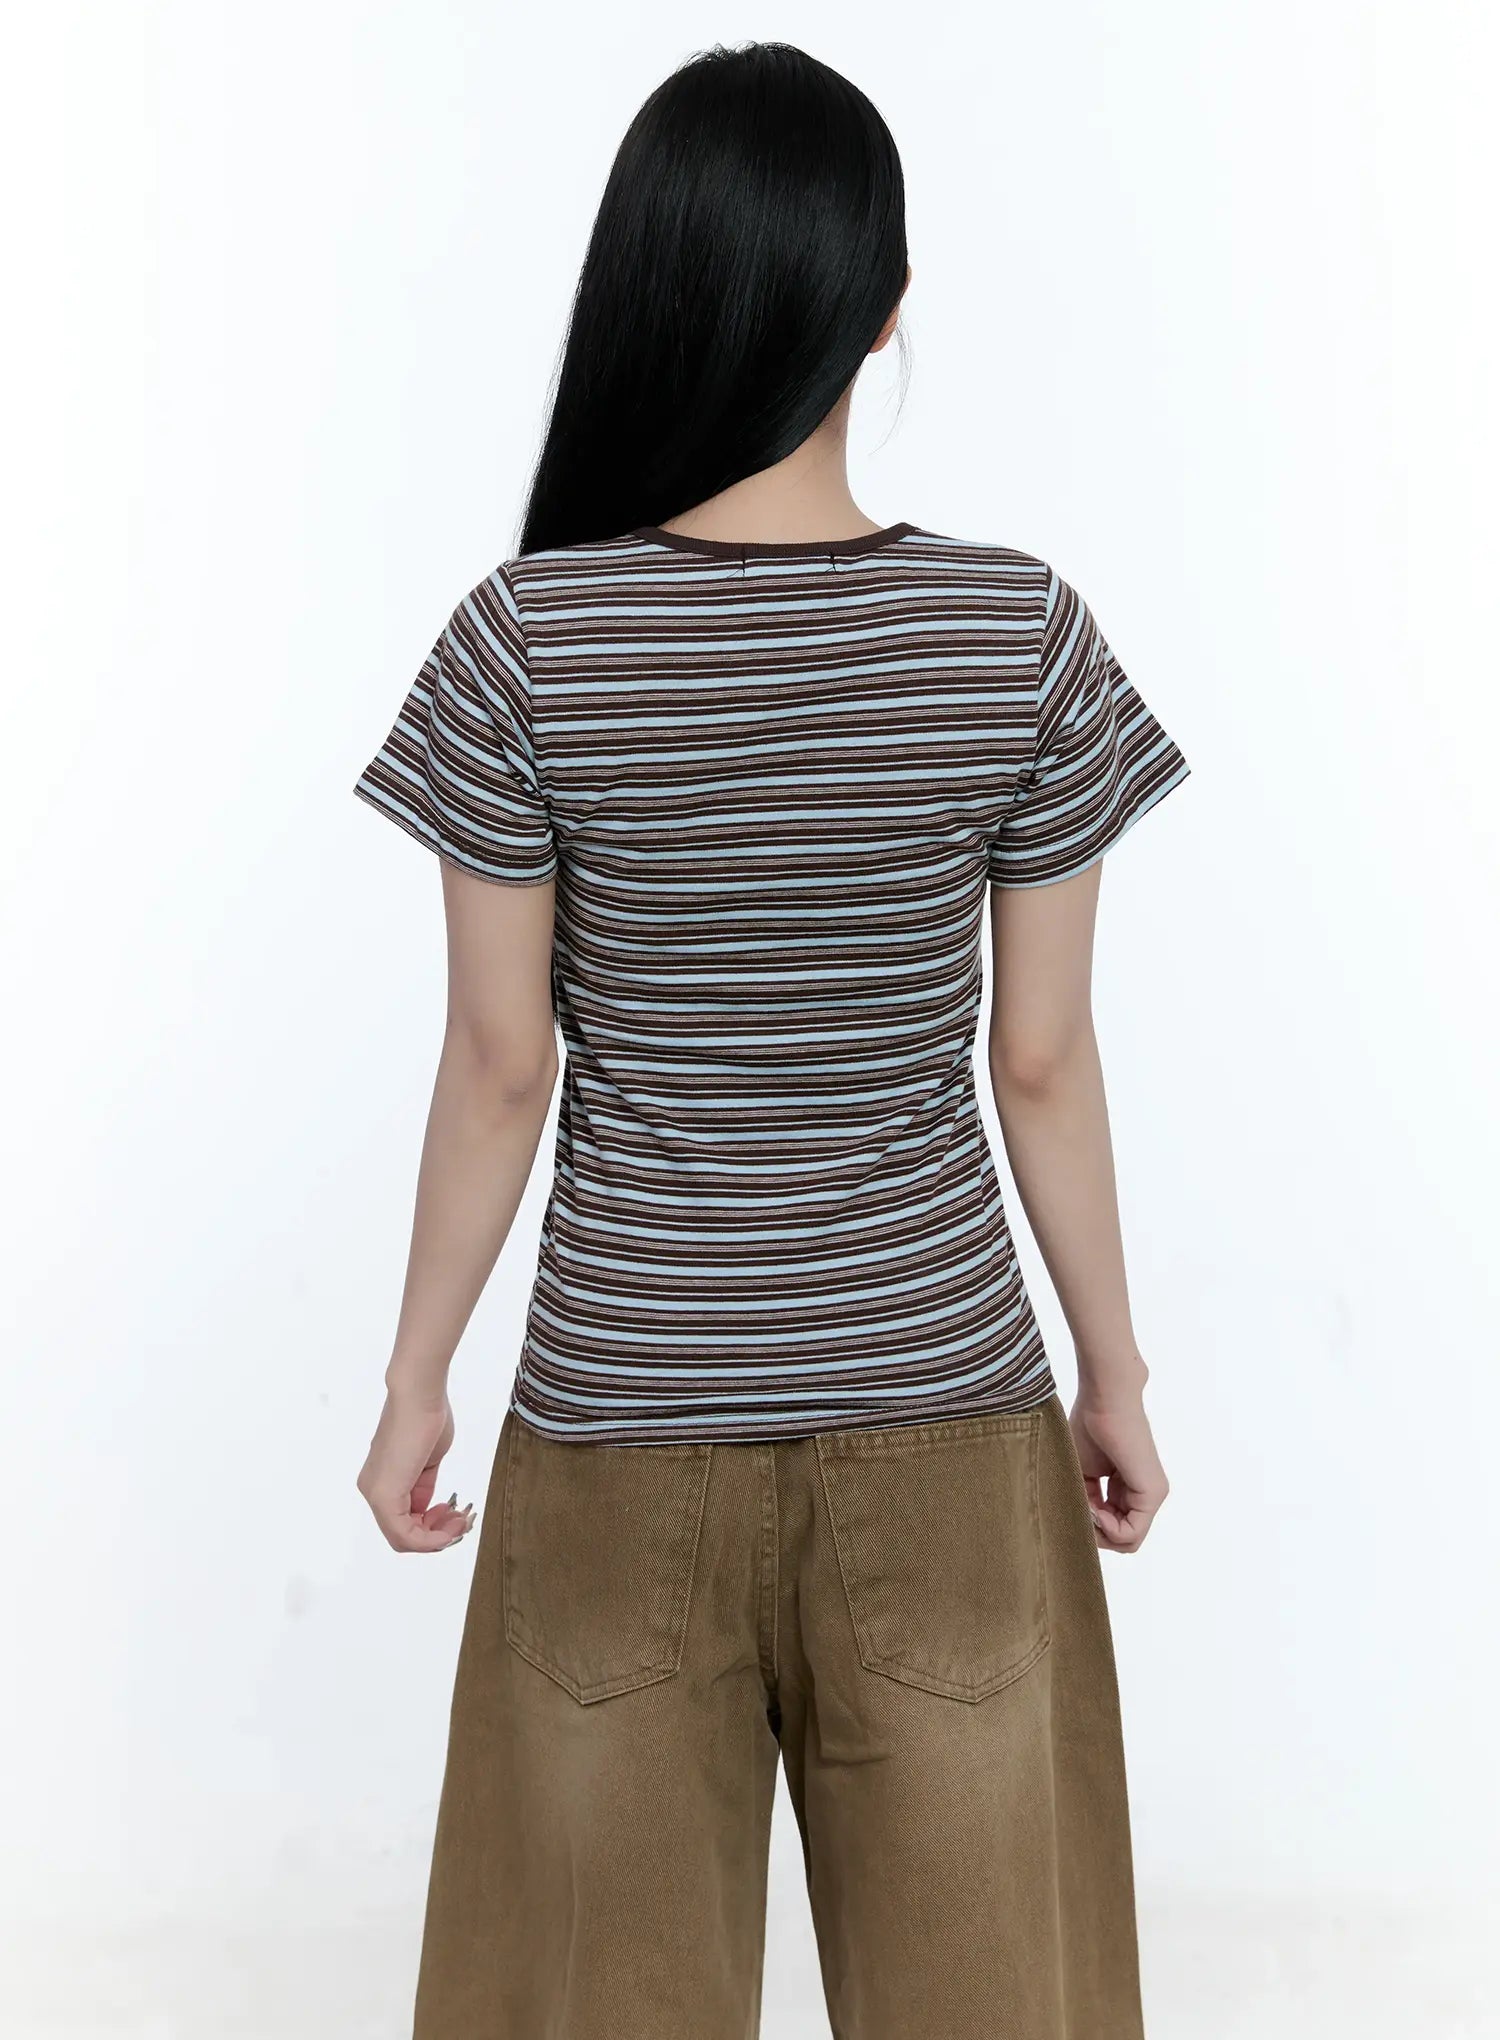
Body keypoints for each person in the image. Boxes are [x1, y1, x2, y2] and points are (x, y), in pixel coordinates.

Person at [353, 39, 1189, 2040]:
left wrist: (413, 1381)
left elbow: (500, 1066)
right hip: (948, 1419)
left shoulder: (527, 642)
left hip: (620, 1427)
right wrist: (1116, 1372)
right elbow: (1042, 1059)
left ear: (649, 291)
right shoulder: (1019, 635)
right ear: (882, 307)